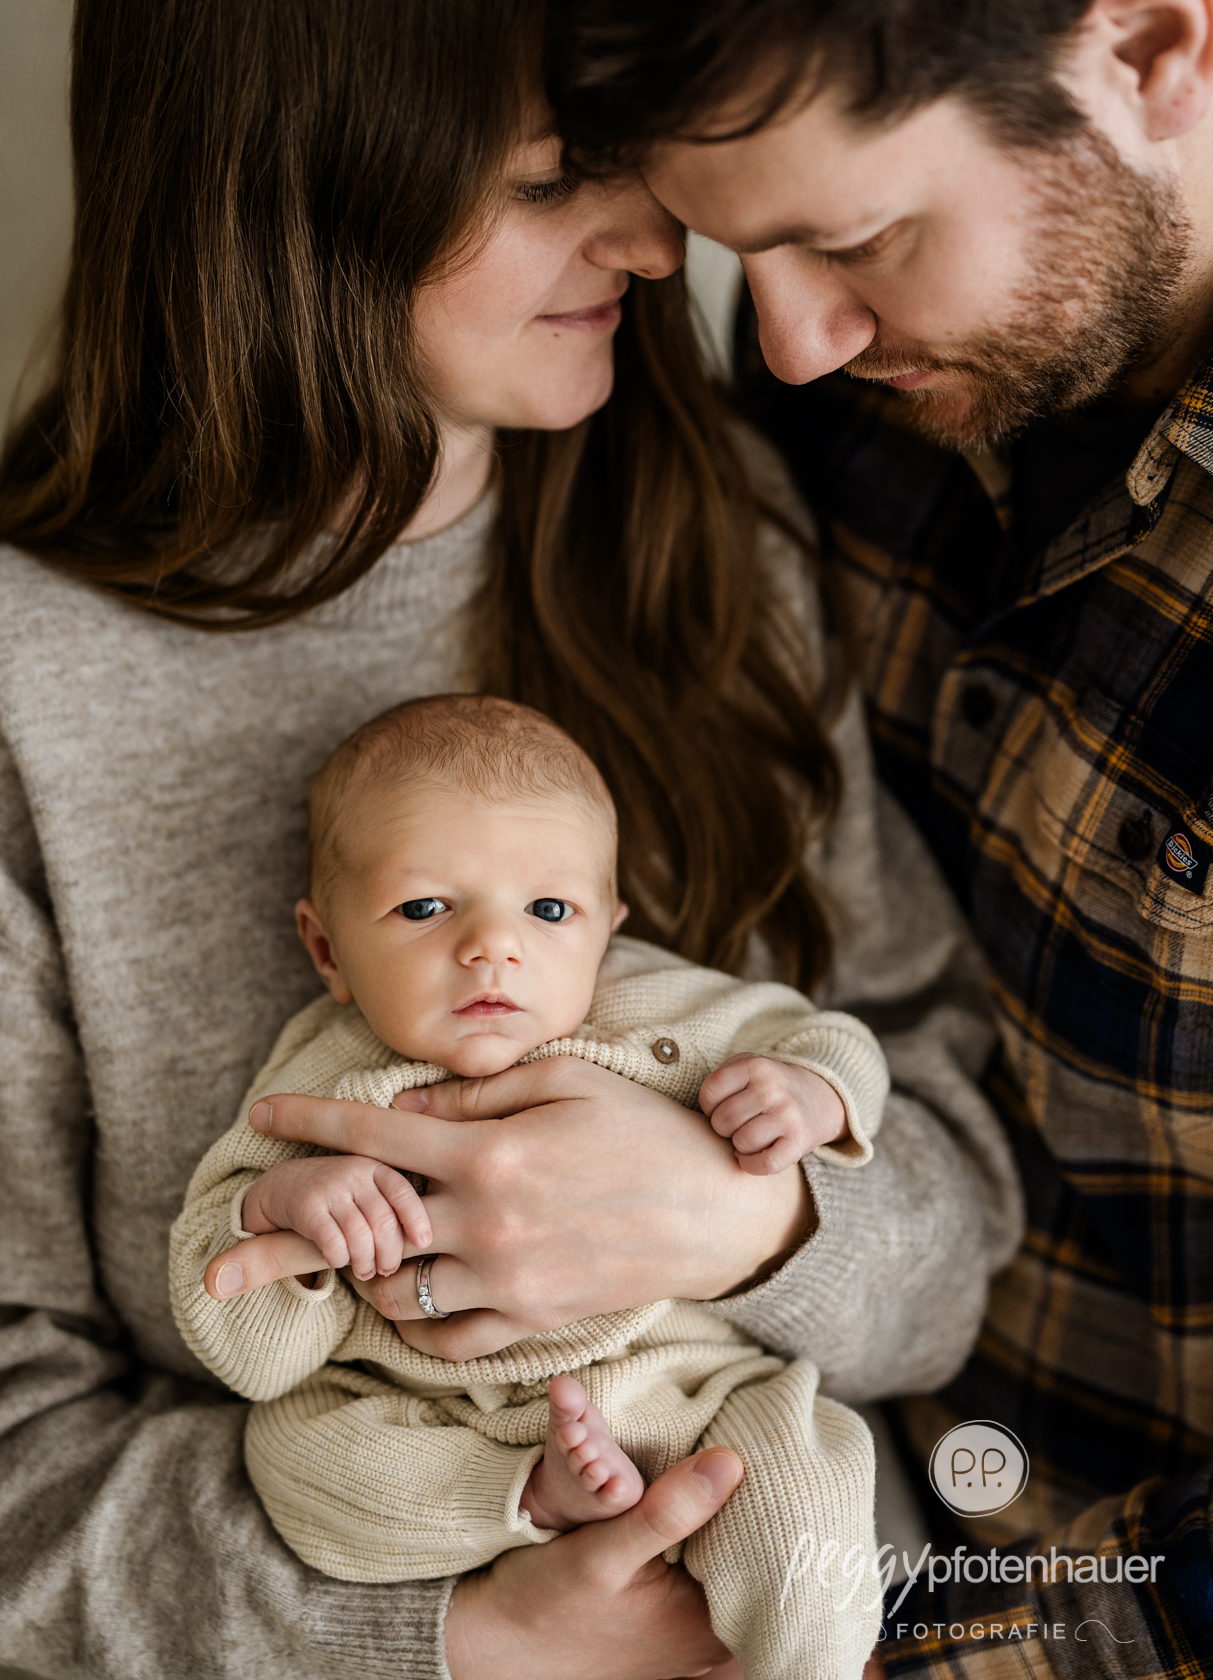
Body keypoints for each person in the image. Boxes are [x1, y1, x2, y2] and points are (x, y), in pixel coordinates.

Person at [0, 1, 1019, 1675]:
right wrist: (462, 1635)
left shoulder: (716, 542)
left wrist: (752, 1227)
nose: (649, 237)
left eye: (633, 161)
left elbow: (960, 1179)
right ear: (288, 195)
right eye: (553, 185)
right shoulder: (29, 692)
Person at [547, 0, 1213, 1673]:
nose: (784, 347)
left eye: (852, 241)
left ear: (1147, 48)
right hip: (840, 1507)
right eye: (732, 258)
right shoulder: (841, 419)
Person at [170, 692, 890, 1680]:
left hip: (684, 1392)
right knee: (293, 1462)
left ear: (606, 931)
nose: (491, 946)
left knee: (804, 1480)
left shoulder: (660, 1007)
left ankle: (807, 1667)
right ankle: (528, 1495)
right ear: (327, 948)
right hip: (437, 1422)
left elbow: (832, 1035)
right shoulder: (313, 1090)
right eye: (425, 907)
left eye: (549, 910)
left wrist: (810, 1092)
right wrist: (278, 1214)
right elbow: (249, 1358)